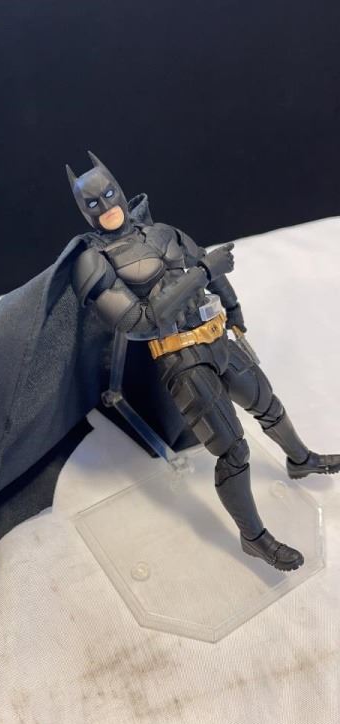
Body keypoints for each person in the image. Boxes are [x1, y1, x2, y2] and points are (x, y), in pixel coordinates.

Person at [69, 151, 340, 571]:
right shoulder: (94, 262)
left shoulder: (163, 232)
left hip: (216, 337)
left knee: (268, 405)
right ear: (83, 211)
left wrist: (234, 309)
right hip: (180, 359)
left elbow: (209, 266)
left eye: (108, 194)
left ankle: (299, 460)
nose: (106, 207)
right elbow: (140, 322)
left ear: (118, 189)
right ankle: (253, 538)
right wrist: (202, 274)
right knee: (233, 451)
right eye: (92, 203)